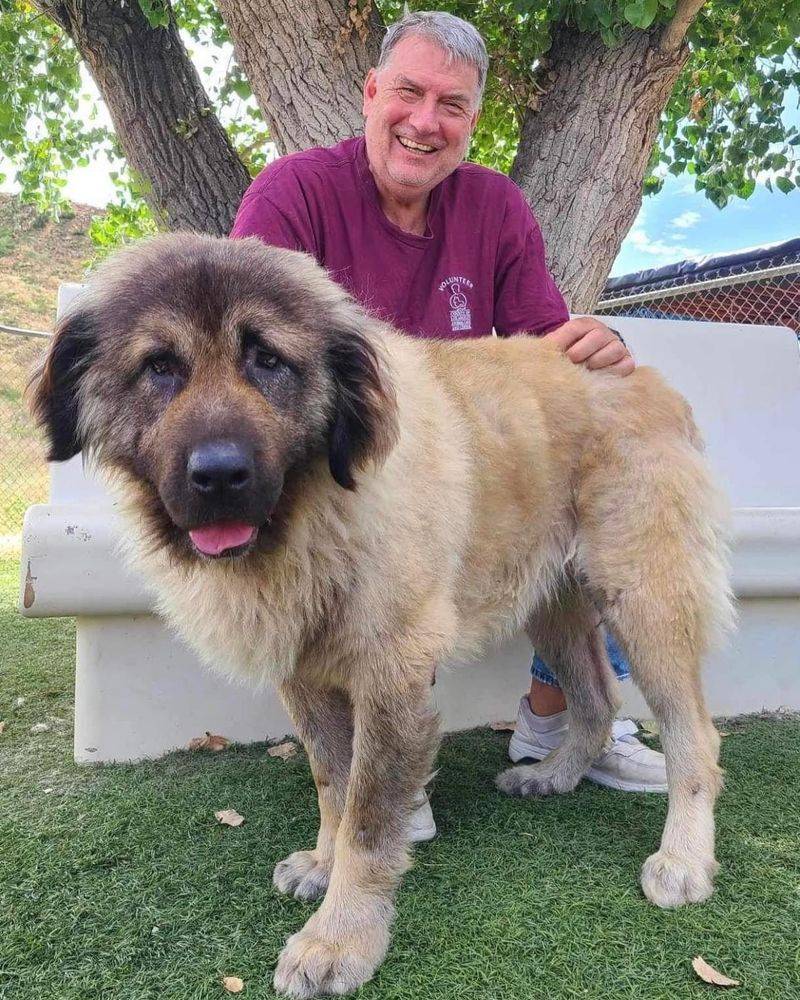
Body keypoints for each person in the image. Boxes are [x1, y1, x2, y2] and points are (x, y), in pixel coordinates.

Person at [231, 10, 667, 840]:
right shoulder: (292, 195)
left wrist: (596, 344)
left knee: (589, 479)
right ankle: (378, 769)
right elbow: (248, 363)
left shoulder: (495, 205)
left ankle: (564, 723)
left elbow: (544, 354)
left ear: (472, 120)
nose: (426, 122)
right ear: (371, 94)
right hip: (341, 478)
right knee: (386, 534)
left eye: (452, 104)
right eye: (409, 92)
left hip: (454, 473)